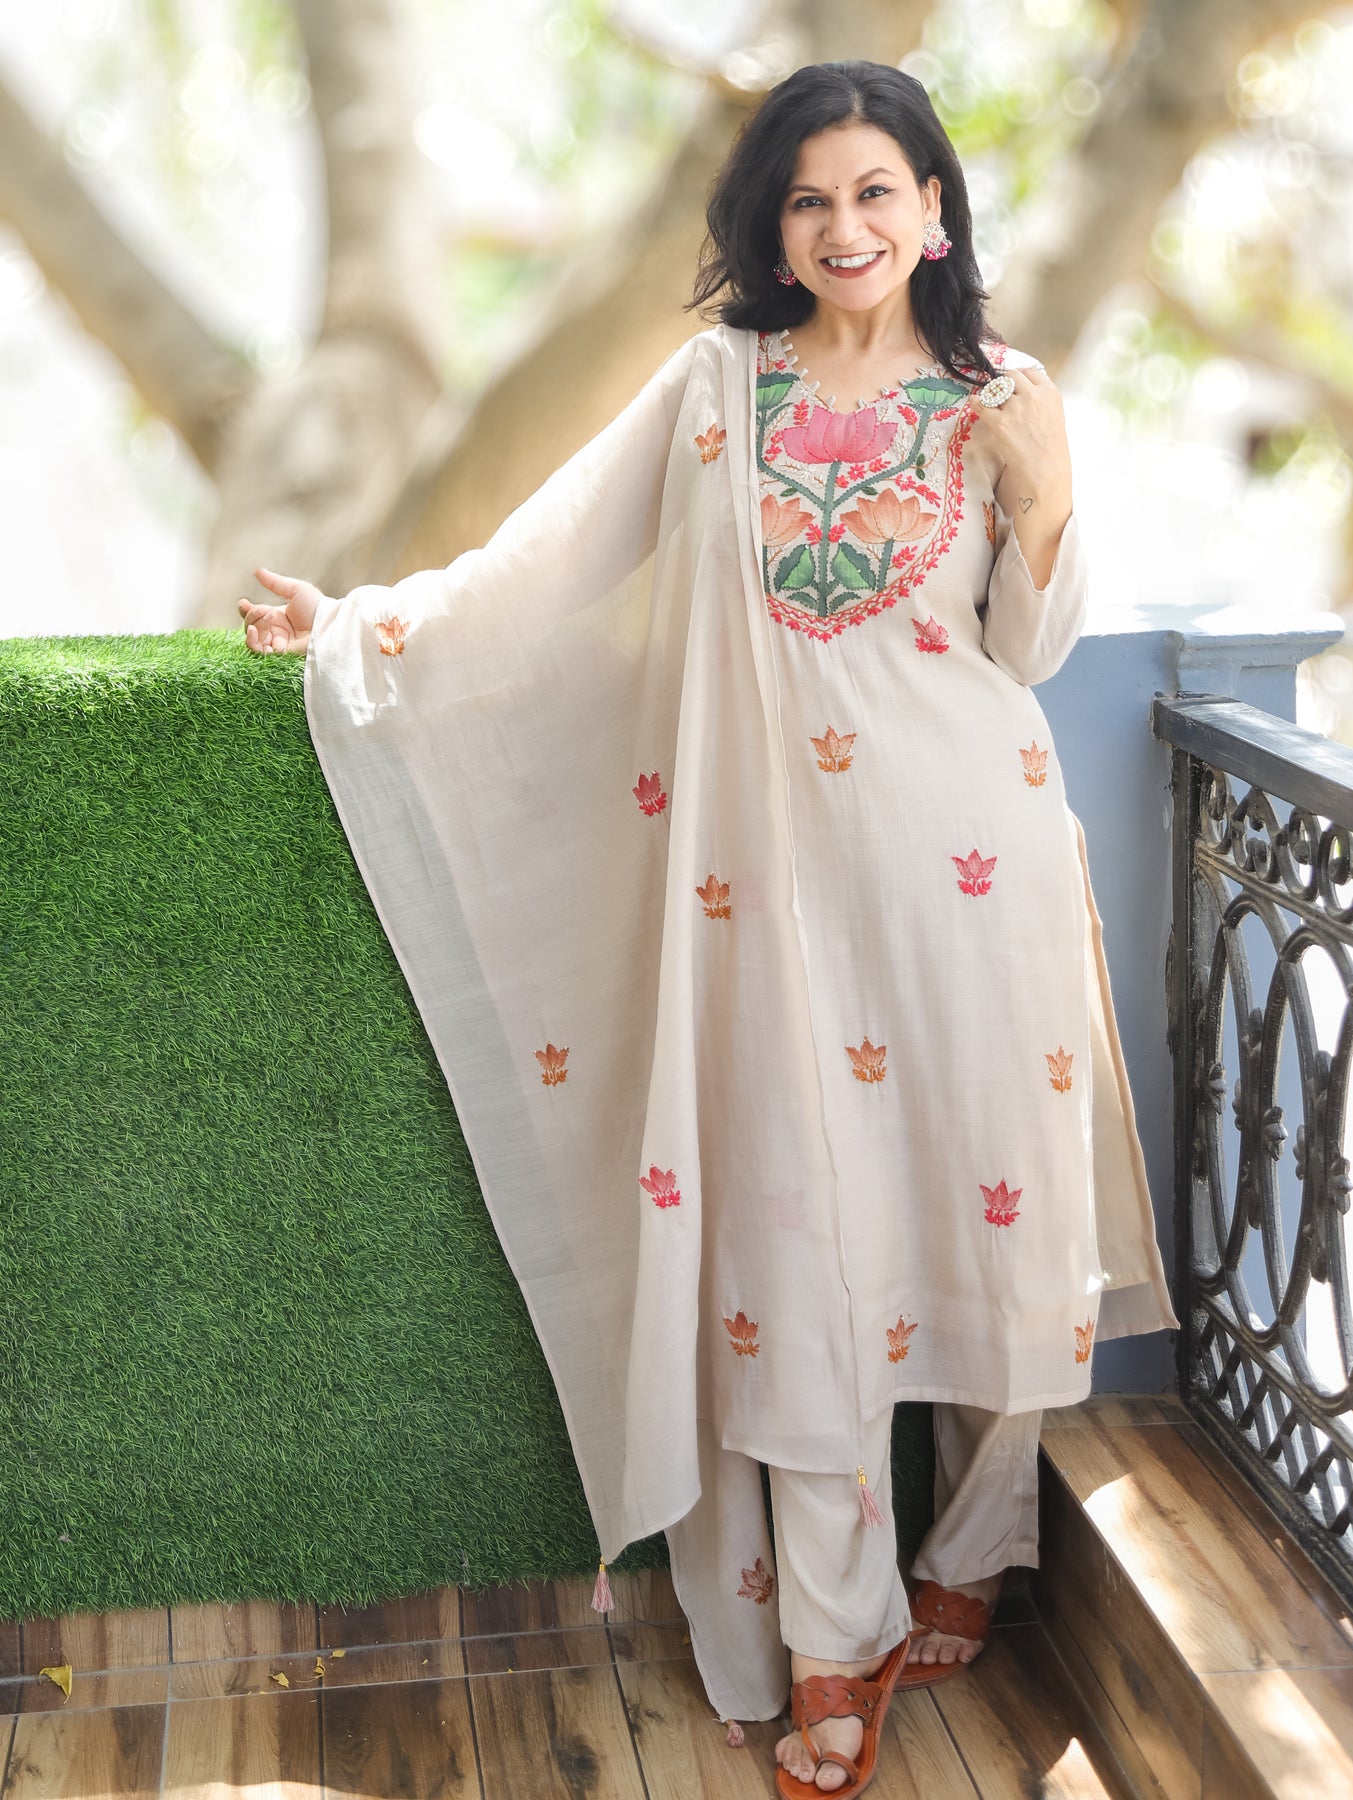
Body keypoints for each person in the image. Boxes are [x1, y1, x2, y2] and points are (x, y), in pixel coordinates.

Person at [240, 60, 1175, 1800]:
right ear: (771, 223)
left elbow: (1026, 650)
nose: (842, 226)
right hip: (769, 911)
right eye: (808, 199)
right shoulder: (714, 391)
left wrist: (1044, 496)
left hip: (974, 884)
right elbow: (538, 568)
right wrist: (362, 624)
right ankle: (832, 1634)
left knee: (996, 1226)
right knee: (797, 1260)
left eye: (874, 191)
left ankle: (972, 1550)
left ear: (933, 209)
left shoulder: (1003, 395)